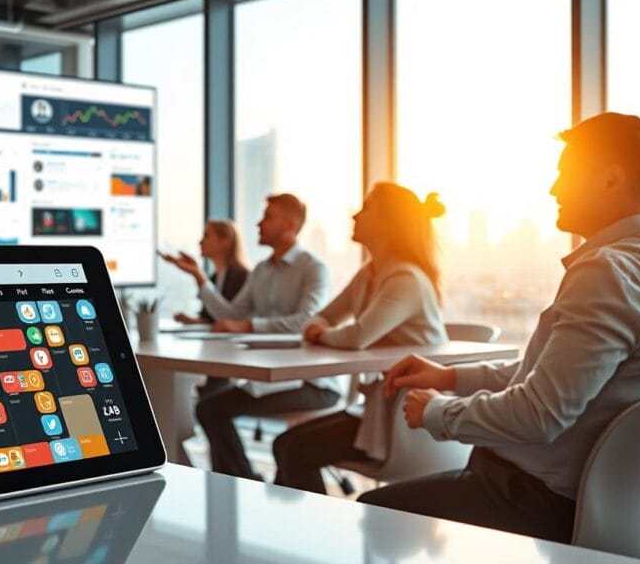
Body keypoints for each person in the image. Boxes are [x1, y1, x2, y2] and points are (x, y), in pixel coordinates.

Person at [356, 112, 640, 544]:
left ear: (611, 179)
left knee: (374, 512)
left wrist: (435, 412)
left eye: (566, 174)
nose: (554, 188)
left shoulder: (607, 273)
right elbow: (546, 375)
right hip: (606, 508)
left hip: (533, 503)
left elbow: (540, 414)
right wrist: (450, 377)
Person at [272, 183, 449, 493]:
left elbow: (357, 337)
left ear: (388, 223)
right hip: (379, 411)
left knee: (293, 448)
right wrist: (323, 329)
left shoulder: (405, 279)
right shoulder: (369, 274)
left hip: (407, 420)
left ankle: (306, 535)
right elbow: (325, 316)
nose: (356, 215)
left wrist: (322, 333)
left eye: (366, 209)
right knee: (287, 444)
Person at [163, 193, 335, 480]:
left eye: (268, 217)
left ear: (290, 225)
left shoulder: (313, 267)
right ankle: (241, 481)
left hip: (310, 383)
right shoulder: (262, 271)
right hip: (270, 381)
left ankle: (241, 481)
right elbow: (231, 314)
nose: (259, 223)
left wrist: (246, 327)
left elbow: (305, 322)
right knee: (210, 408)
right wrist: (200, 278)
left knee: (211, 409)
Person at [162, 220, 250, 326]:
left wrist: (197, 274)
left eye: (206, 236)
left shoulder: (243, 277)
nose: (200, 242)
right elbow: (214, 319)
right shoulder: (214, 278)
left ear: (224, 241)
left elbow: (232, 319)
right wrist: (192, 321)